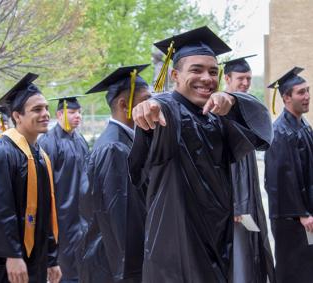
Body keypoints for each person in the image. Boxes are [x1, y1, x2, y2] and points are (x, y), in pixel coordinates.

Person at [128, 26, 273, 282]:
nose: (207, 78)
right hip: (178, 244)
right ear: (174, 74)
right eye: (196, 70)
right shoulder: (168, 112)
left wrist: (234, 101)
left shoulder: (216, 117)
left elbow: (260, 129)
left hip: (218, 237)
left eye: (213, 72)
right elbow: (157, 108)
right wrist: (149, 106)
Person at [0, 73, 61, 283]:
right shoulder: (1, 152)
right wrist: (12, 254)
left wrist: (51, 258)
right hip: (6, 263)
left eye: (46, 108)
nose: (45, 114)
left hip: (34, 260)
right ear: (17, 116)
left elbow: (46, 212)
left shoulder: (40, 155)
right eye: (37, 109)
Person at [79, 64, 151, 283]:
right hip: (114, 264)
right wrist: (130, 273)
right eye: (146, 99)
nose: (152, 105)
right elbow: (120, 217)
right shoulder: (114, 148)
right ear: (124, 104)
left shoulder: (124, 140)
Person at [223, 55, 275, 283]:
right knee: (238, 255)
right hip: (234, 204)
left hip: (249, 196)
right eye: (240, 78)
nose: (245, 83)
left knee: (251, 251)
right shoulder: (221, 111)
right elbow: (226, 163)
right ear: (227, 78)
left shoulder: (245, 108)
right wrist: (233, 203)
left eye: (248, 78)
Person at [265, 67, 313, 283]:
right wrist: (301, 213)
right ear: (286, 97)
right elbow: (280, 180)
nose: (307, 96)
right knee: (293, 267)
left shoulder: (303, 125)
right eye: (301, 92)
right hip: (290, 217)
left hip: (304, 212)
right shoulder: (281, 132)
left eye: (308, 91)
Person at [38, 95, 90, 282]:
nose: (78, 116)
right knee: (65, 265)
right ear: (60, 114)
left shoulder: (80, 139)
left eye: (80, 112)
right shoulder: (48, 142)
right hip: (60, 217)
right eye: (73, 112)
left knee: (83, 262)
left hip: (82, 215)